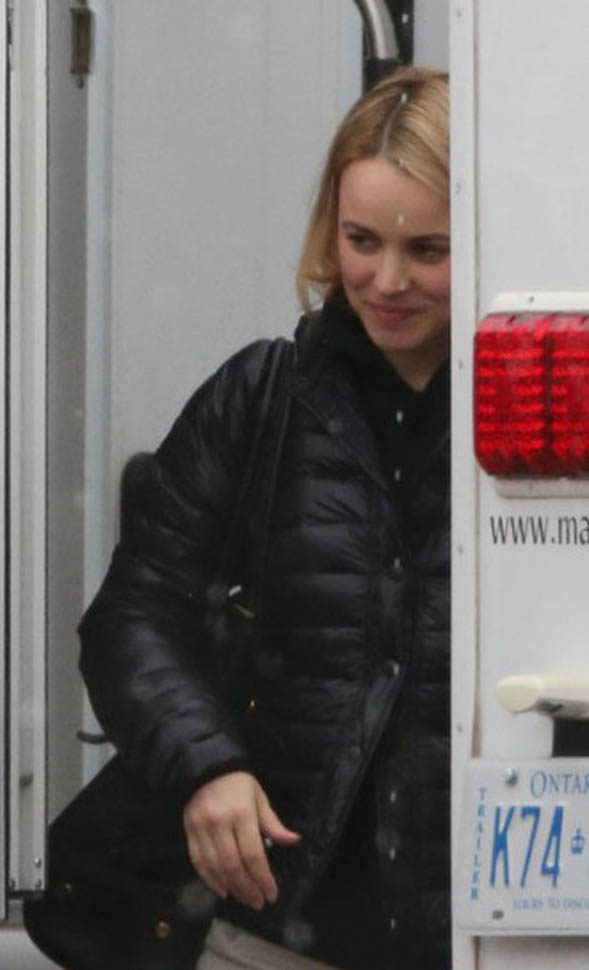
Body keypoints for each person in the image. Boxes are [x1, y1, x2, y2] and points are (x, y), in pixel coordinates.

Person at [79, 64, 451, 970]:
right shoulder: (263, 396)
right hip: (272, 919)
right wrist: (207, 767)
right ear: (329, 227)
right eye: (360, 240)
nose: (386, 280)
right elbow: (131, 619)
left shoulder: (546, 409)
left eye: (428, 249)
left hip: (503, 925)